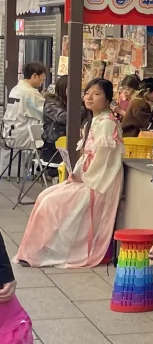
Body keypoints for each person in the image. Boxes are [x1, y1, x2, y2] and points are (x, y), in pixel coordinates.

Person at [16, 79, 124, 269]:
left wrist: (81, 176)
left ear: (108, 99)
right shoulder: (94, 121)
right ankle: (39, 250)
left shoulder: (107, 123)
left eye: (96, 94)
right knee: (45, 196)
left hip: (99, 183)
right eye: (87, 93)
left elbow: (103, 162)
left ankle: (49, 251)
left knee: (52, 201)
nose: (89, 97)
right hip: (87, 178)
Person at [5, 61, 46, 153]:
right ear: (35, 76)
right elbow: (44, 113)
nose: (43, 81)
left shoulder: (15, 89)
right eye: (42, 78)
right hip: (24, 137)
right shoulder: (30, 93)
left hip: (10, 134)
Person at [41, 76, 68, 167]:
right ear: (62, 88)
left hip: (69, 145)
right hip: (53, 148)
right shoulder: (51, 103)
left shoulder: (71, 102)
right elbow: (63, 118)